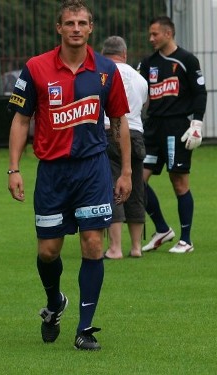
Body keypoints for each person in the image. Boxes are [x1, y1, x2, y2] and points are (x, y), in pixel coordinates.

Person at [7, 0, 132, 351]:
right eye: (69, 23)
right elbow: (20, 119)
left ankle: (85, 327)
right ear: (58, 28)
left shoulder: (107, 70)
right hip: (52, 172)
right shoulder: (35, 68)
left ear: (91, 28)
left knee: (93, 245)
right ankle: (54, 303)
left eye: (82, 23)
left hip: (92, 170)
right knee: (48, 251)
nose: (76, 28)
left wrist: (125, 172)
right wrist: (14, 168)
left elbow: (120, 121)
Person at [137, 16, 207, 254]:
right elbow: (139, 91)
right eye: (150, 34)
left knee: (178, 182)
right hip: (153, 129)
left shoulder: (187, 60)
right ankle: (162, 229)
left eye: (155, 34)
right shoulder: (148, 63)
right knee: (138, 180)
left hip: (177, 128)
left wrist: (196, 123)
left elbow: (200, 93)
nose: (151, 38)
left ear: (168, 33)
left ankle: (186, 240)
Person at [101, 36, 149, 259]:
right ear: (124, 53)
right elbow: (143, 108)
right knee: (136, 188)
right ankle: (136, 246)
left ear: (103, 53)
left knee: (113, 187)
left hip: (110, 131)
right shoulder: (140, 79)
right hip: (136, 134)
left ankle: (115, 247)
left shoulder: (102, 74)